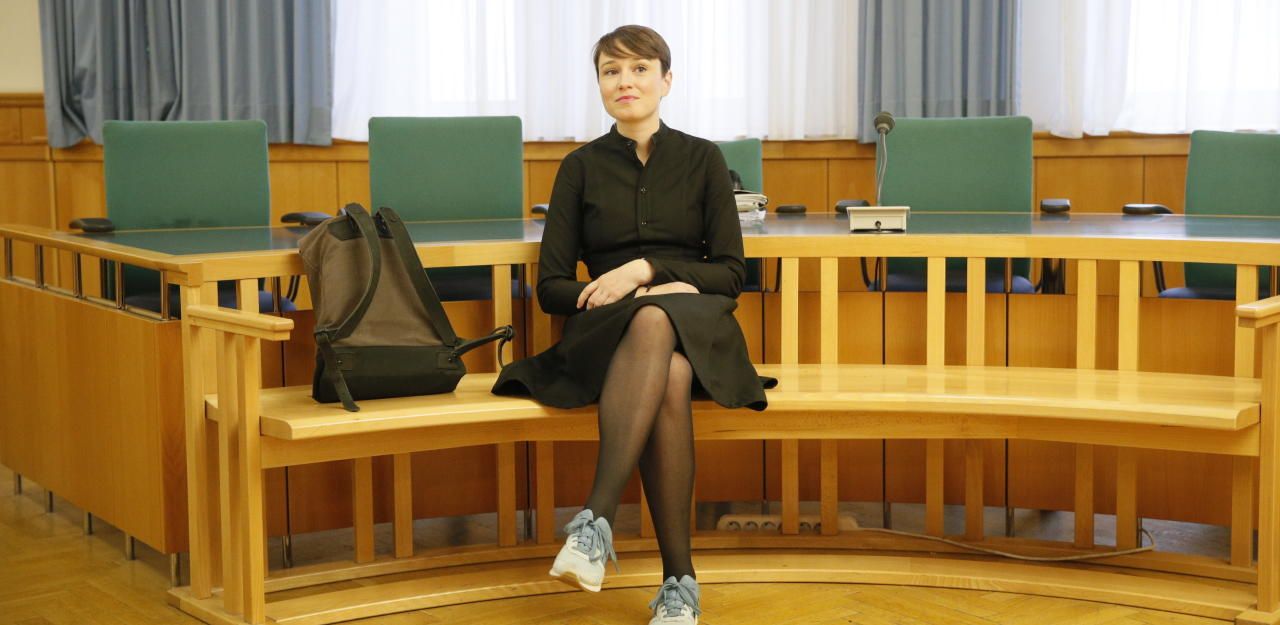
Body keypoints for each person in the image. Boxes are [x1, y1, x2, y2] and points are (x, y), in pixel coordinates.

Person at [493, 24, 772, 625]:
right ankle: (679, 586)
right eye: (611, 71)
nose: (625, 81)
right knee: (662, 355)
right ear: (599, 85)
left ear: (666, 81)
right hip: (608, 334)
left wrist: (645, 271)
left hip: (698, 330)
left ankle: (594, 523)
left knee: (661, 331)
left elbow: (731, 274)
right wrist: (617, 292)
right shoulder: (579, 167)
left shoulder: (704, 159)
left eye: (640, 69)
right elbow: (551, 288)